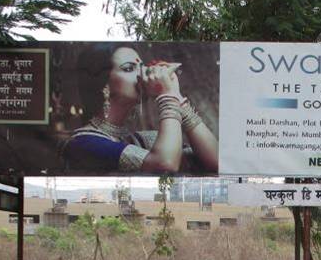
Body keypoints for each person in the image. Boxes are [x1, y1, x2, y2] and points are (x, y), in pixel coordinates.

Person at [63, 45, 219, 174]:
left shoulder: (142, 140)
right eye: (129, 68)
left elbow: (216, 162)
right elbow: (165, 164)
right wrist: (167, 95)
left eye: (142, 67)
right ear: (103, 84)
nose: (143, 74)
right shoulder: (82, 143)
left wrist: (176, 96)